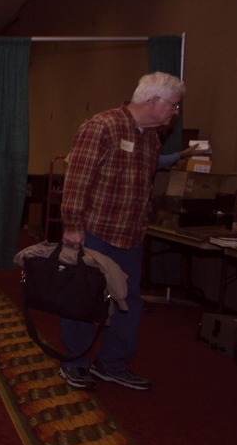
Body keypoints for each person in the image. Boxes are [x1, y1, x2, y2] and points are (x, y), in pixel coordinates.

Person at [58, 71, 186, 391]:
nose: (175, 112)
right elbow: (77, 181)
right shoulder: (103, 126)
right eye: (173, 105)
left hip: (130, 236)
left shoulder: (152, 139)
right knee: (83, 299)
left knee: (129, 302)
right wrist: (73, 227)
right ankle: (75, 362)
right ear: (153, 101)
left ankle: (112, 364)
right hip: (95, 231)